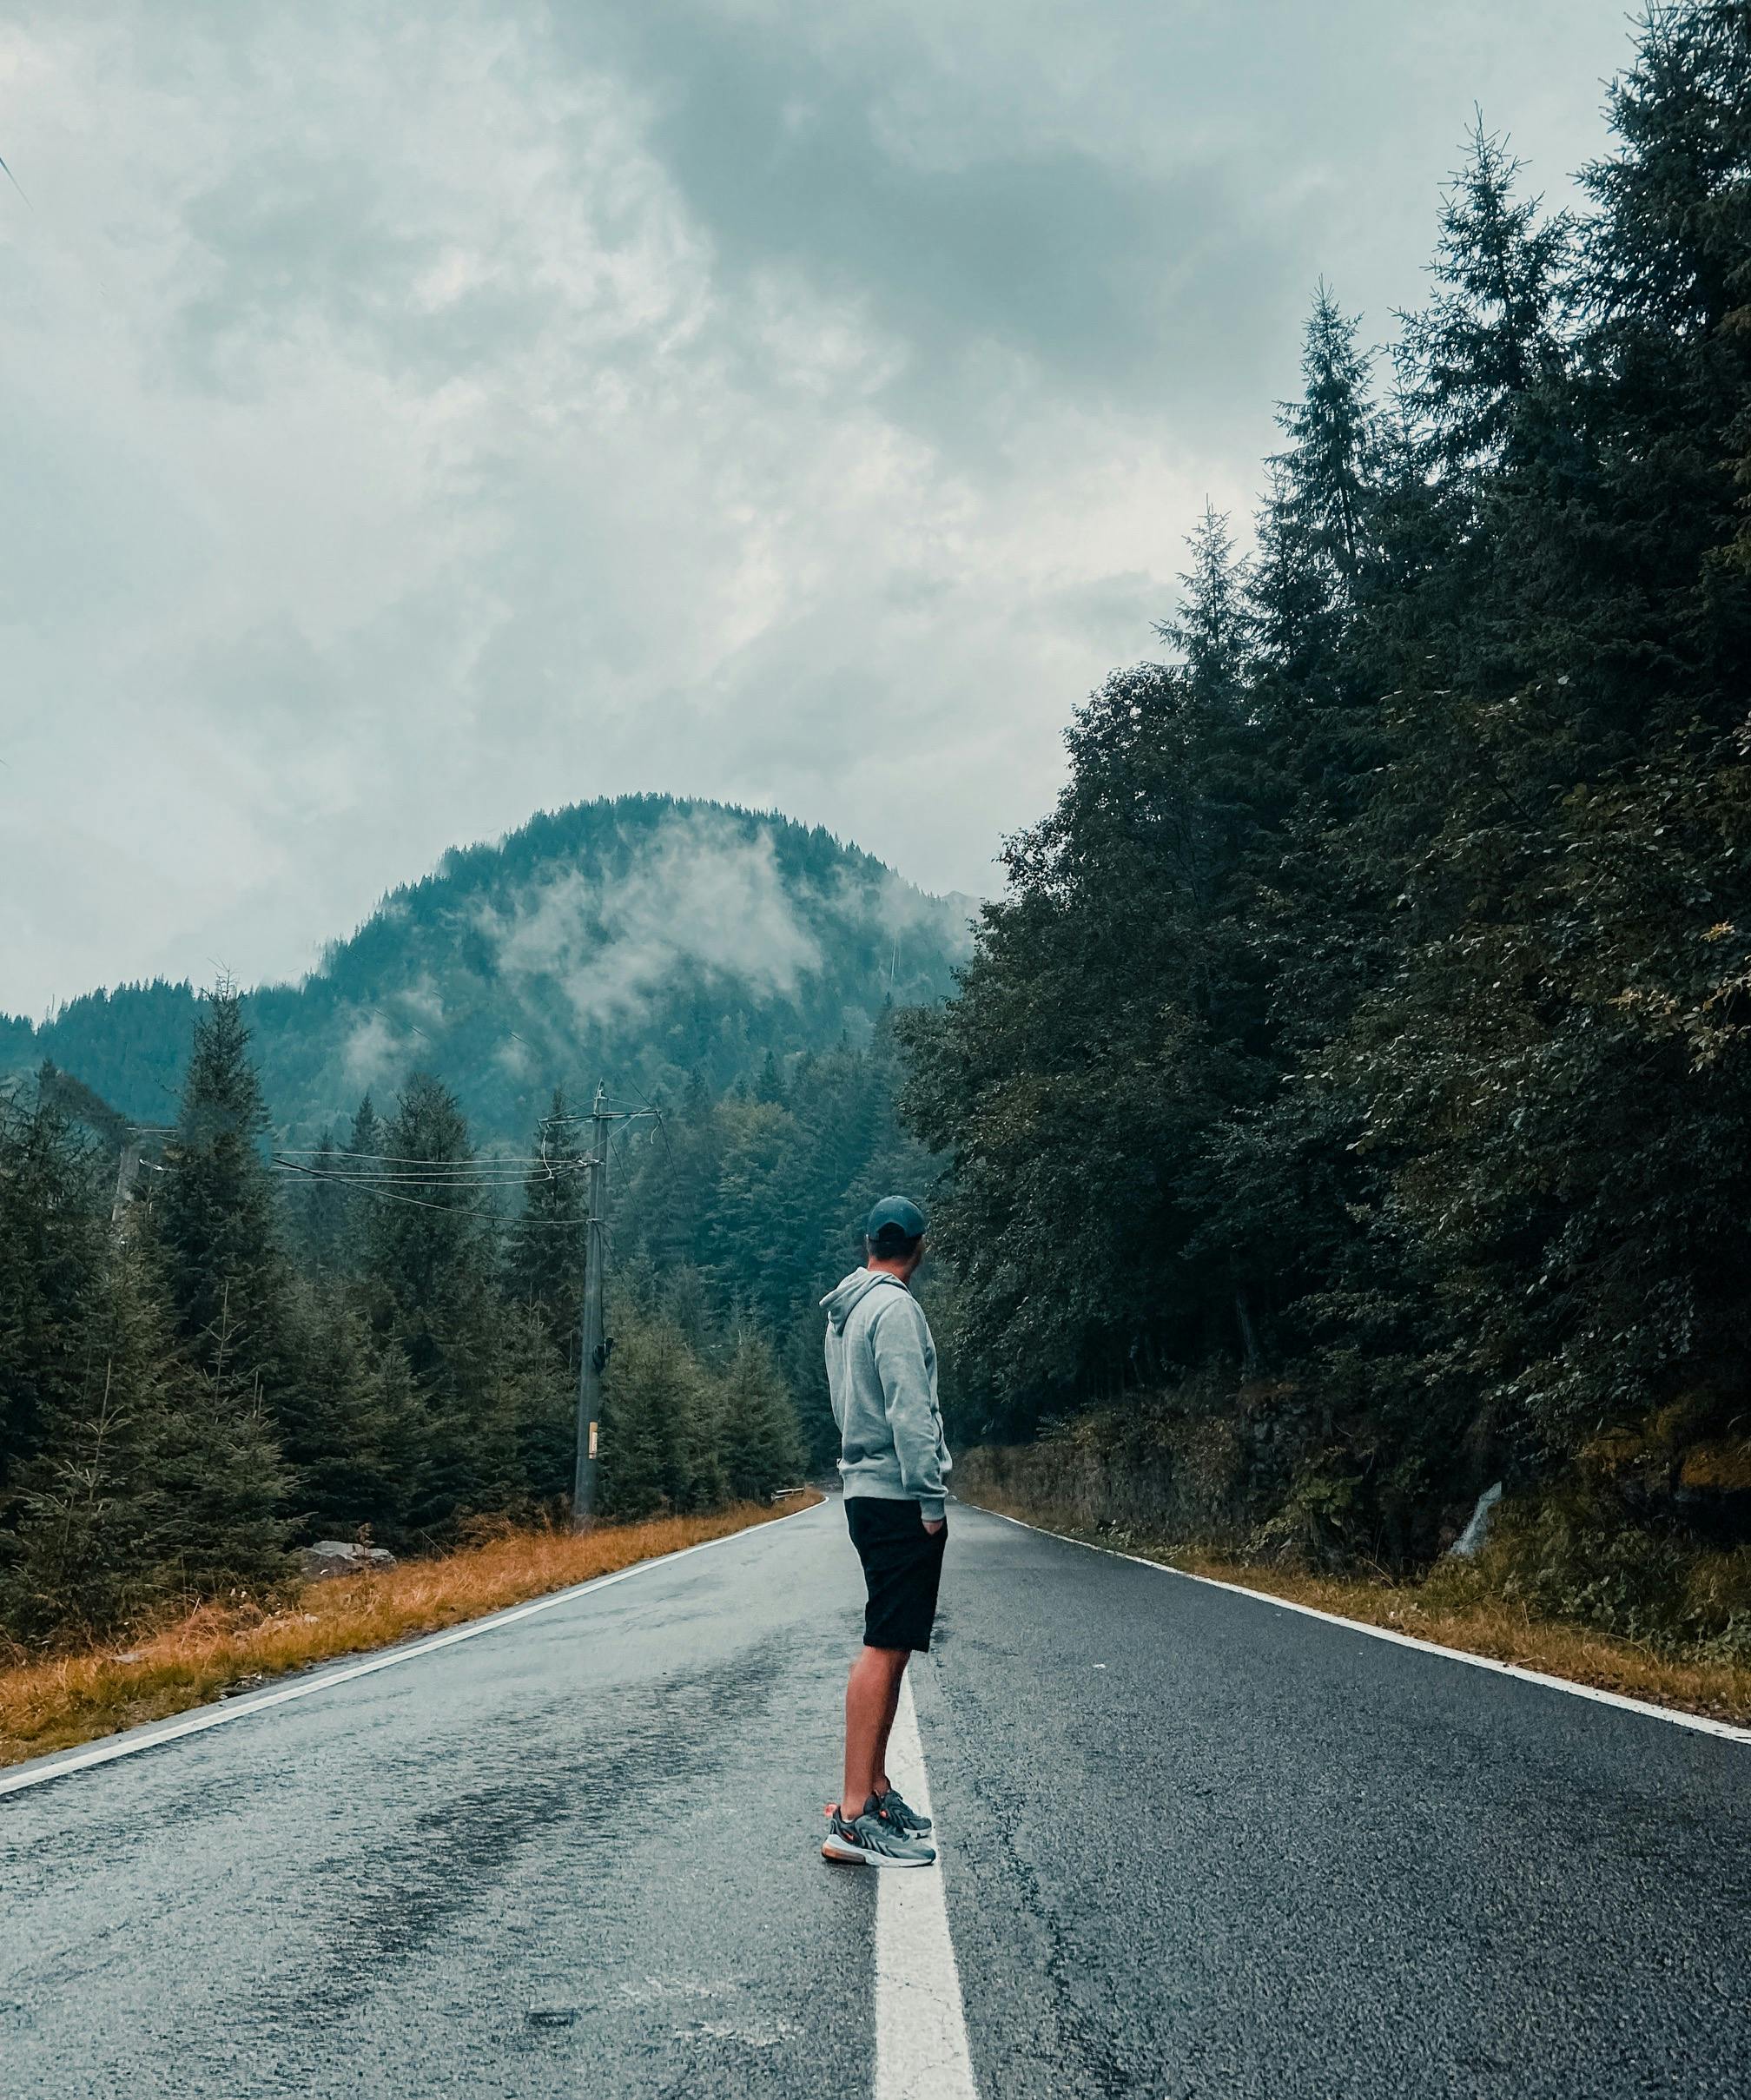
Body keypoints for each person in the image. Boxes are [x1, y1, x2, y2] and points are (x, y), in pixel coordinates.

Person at [818, 1196, 950, 1868]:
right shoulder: (895, 1309)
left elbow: (846, 1403)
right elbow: (911, 1409)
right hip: (899, 1494)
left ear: (870, 1241)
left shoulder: (846, 1311)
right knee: (882, 1644)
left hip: (865, 1490)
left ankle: (875, 1789)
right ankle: (850, 1816)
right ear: (918, 1247)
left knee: (893, 1643)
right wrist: (931, 1499)